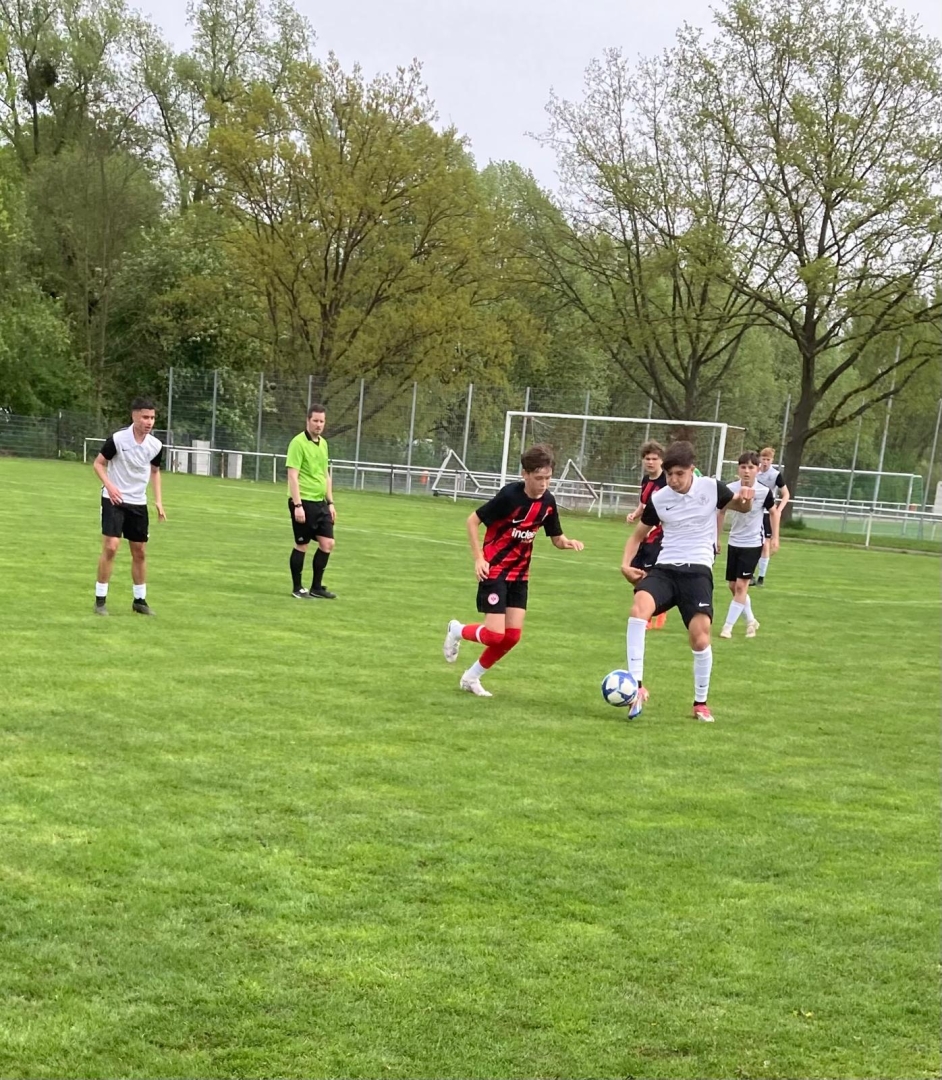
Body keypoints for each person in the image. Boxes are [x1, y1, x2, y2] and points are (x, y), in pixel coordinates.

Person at [621, 440, 755, 723]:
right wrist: (625, 565)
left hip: (697, 572)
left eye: (679, 474)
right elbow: (637, 536)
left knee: (700, 636)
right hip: (665, 569)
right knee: (638, 608)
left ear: (692, 469)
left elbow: (741, 507)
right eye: (669, 474)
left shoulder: (711, 487)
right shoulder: (660, 498)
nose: (673, 480)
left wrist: (746, 497)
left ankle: (700, 704)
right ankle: (636, 687)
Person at [443, 444, 584, 696]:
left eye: (548, 478)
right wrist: (479, 559)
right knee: (495, 636)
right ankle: (457, 630)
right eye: (538, 478)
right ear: (525, 474)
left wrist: (568, 542)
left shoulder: (548, 502)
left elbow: (556, 538)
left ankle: (471, 677)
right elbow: (472, 521)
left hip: (520, 576)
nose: (544, 484)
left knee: (512, 637)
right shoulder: (509, 496)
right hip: (494, 570)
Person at [93, 397, 166, 616]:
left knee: (140, 551)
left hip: (138, 503)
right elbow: (98, 464)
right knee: (111, 546)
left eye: (152, 418)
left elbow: (155, 471)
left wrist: (158, 501)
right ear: (134, 416)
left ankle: (139, 600)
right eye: (145, 417)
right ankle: (100, 600)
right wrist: (110, 486)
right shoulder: (117, 440)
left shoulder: (156, 445)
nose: (149, 422)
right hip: (113, 500)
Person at [716, 452, 778, 639]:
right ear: (738, 469)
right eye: (743, 467)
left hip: (753, 543)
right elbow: (720, 512)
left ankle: (727, 627)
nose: (747, 471)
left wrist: (775, 538)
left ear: (757, 470)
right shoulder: (730, 489)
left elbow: (774, 512)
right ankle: (751, 620)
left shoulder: (764, 491)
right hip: (734, 541)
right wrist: (717, 538)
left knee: (741, 587)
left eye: (751, 467)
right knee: (733, 586)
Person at [286, 404, 337, 600]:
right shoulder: (297, 443)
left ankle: (316, 587)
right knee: (302, 545)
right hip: (304, 502)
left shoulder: (323, 444)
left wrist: (330, 502)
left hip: (320, 502)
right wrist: (298, 505)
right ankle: (298, 588)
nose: (318, 425)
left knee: (328, 543)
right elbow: (292, 475)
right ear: (308, 420)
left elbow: (326, 475)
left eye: (322, 421)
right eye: (315, 420)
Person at [626, 440, 668, 630]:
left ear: (661, 461)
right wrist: (635, 514)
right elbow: (644, 504)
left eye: (654, 459)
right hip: (644, 533)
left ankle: (649, 616)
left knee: (649, 574)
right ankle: (650, 609)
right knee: (635, 571)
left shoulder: (666, 482)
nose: (650, 462)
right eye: (647, 458)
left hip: (659, 535)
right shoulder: (645, 480)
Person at [753, 446, 790, 586]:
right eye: (763, 459)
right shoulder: (754, 471)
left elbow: (786, 494)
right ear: (760, 459)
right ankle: (749, 574)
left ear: (772, 460)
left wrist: (779, 509)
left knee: (765, 544)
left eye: (768, 459)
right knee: (752, 543)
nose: (765, 462)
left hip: (767, 513)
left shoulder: (775, 475)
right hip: (753, 512)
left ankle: (761, 577)